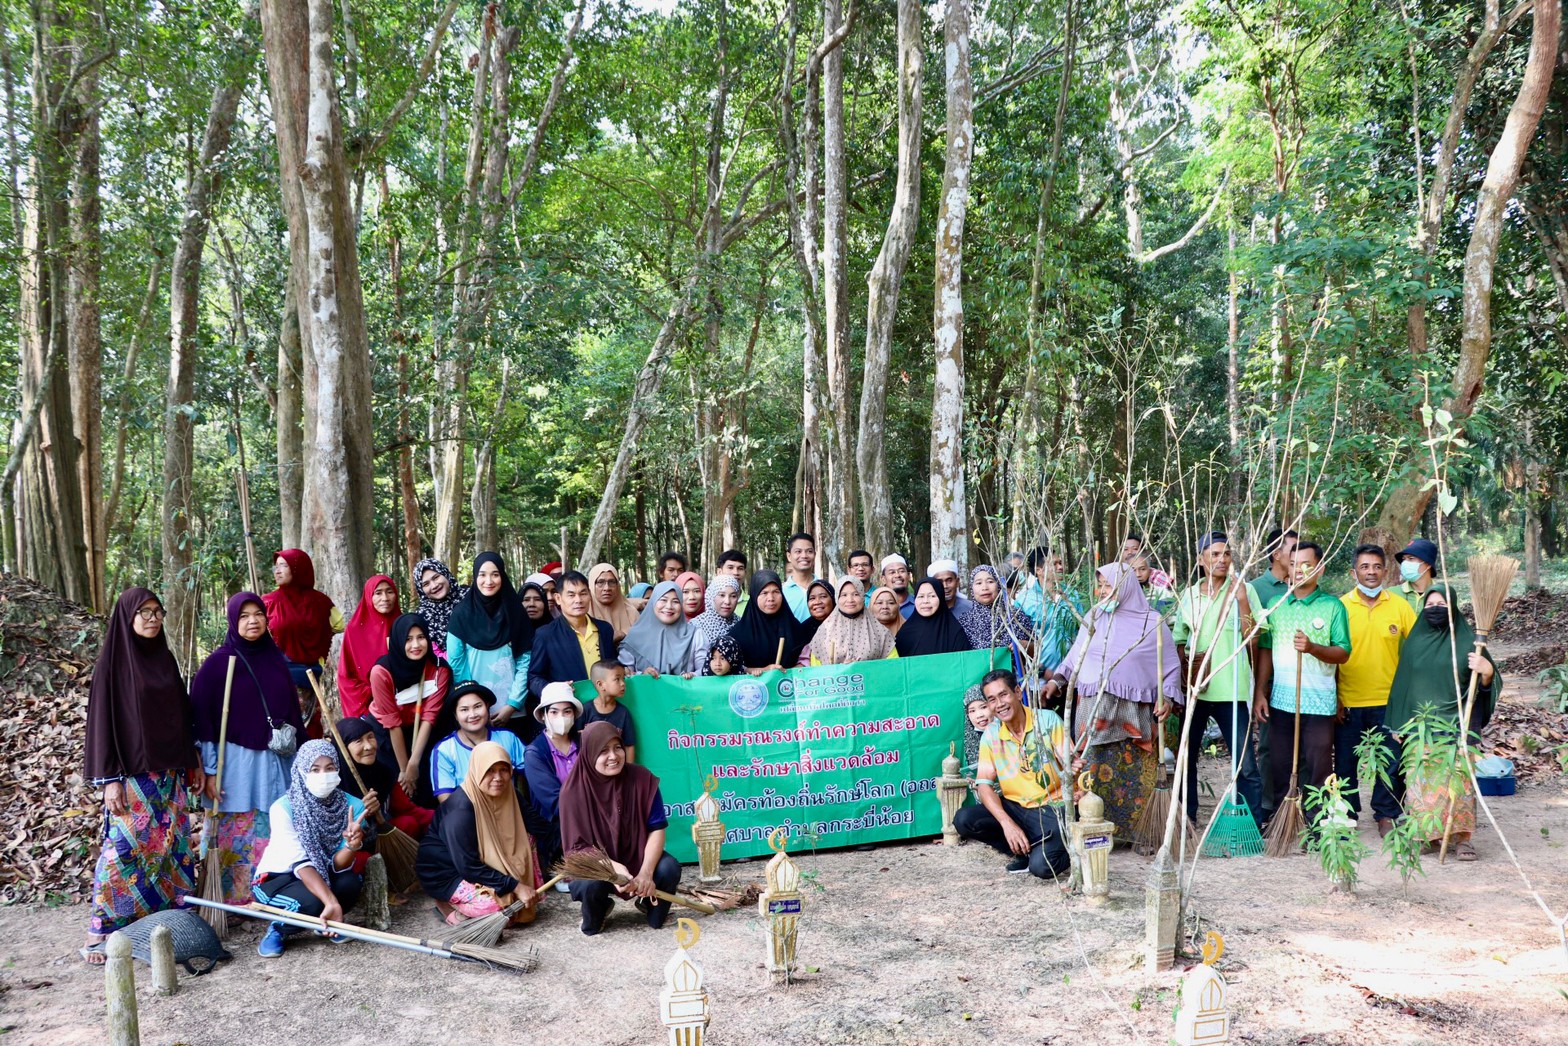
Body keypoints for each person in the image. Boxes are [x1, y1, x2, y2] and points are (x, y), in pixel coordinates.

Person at [82, 588, 204, 963]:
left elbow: (181, 717)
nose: (152, 618)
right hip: (132, 777)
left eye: (157, 612)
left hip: (171, 777)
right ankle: (99, 933)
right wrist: (109, 780)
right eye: (144, 612)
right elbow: (101, 725)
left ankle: (166, 921)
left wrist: (192, 761)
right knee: (124, 851)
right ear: (127, 617)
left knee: (172, 848)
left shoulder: (165, 659)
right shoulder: (113, 665)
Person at [1045, 563, 1183, 838]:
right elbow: (1075, 657)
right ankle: (1096, 830)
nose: (1103, 592)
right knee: (1091, 769)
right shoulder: (1094, 616)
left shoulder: (1152, 622)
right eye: (1102, 586)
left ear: (1127, 587)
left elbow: (1170, 666)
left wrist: (1167, 699)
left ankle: (1140, 832)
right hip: (1094, 710)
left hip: (1136, 712)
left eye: (1110, 586)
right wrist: (1056, 680)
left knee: (1135, 773)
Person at [189, 593, 301, 907]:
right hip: (234, 765)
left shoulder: (275, 659)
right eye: (244, 616)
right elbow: (203, 723)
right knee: (232, 830)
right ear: (233, 621)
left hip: (275, 761)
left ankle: (268, 894)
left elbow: (291, 711)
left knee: (271, 824)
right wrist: (210, 770)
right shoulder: (217, 665)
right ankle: (231, 899)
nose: (253, 621)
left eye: (258, 614)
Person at [1384, 585, 1499, 862]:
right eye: (1430, 604)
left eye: (1442, 604)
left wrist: (1486, 672)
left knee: (1458, 786)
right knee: (1422, 784)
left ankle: (1461, 839)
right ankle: (1426, 835)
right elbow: (1403, 687)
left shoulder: (1471, 641)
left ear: (1454, 608)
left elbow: (1487, 687)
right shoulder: (1414, 642)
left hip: (1458, 724)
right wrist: (1400, 724)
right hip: (1420, 726)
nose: (1435, 609)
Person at [1251, 542, 1351, 827]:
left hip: (1319, 704)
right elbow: (1266, 650)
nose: (1299, 570)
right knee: (1280, 764)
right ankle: (1286, 821)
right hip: (1282, 701)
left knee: (1319, 767)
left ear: (1320, 568)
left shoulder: (1333, 606)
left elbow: (1343, 653)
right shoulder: (1275, 605)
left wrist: (1312, 648)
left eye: (1306, 564)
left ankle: (1318, 824)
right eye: (1294, 563)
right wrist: (1260, 692)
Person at [1172, 534, 1266, 829]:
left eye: (1226, 554)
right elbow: (1179, 641)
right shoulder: (1189, 595)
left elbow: (1254, 638)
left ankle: (1252, 821)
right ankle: (1187, 817)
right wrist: (1182, 683)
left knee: (1244, 762)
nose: (1222, 560)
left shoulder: (1245, 589)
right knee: (1186, 757)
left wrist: (1241, 601)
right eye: (1214, 554)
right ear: (1201, 559)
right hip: (1197, 690)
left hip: (1232, 690)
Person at [252, 740, 375, 958]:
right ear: (300, 771)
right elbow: (301, 864)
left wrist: (352, 845)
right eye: (314, 769)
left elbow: (337, 864)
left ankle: (325, 922)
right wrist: (331, 901)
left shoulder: (353, 806)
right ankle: (278, 929)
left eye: (330, 768)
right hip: (278, 879)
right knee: (311, 902)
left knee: (350, 883)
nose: (323, 775)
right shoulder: (283, 808)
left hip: (321, 873)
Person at [558, 722, 681, 935]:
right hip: (596, 864)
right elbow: (576, 850)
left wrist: (646, 873)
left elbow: (657, 828)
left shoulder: (642, 779)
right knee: (590, 892)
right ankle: (598, 910)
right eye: (603, 751)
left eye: (617, 747)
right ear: (589, 754)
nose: (614, 756)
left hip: (637, 855)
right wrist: (613, 867)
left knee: (669, 868)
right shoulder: (573, 792)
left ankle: (648, 903)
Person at [953, 670, 1073, 878]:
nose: (999, 704)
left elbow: (1072, 765)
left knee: (1043, 868)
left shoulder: (1047, 721)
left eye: (1003, 695)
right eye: (991, 699)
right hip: (1016, 808)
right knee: (964, 819)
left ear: (1018, 693)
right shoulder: (991, 734)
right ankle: (1022, 850)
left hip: (1052, 806)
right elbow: (984, 785)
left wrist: (1076, 775)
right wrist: (1007, 824)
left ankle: (1072, 849)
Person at [1336, 544, 1416, 835]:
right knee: (1346, 762)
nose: (1371, 572)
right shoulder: (1340, 606)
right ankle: (1346, 814)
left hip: (1389, 702)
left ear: (1386, 570)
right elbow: (1330, 656)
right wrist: (1335, 698)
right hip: (1348, 700)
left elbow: (1420, 644)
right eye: (1365, 567)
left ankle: (1386, 814)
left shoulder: (1399, 606)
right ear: (1354, 571)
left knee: (1390, 761)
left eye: (1377, 566)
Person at [416, 741, 540, 926]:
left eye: (503, 770)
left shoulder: (509, 792)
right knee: (499, 912)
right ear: (477, 770)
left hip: (482, 862)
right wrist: (517, 886)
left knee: (527, 838)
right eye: (490, 770)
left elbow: (538, 826)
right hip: (448, 871)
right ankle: (447, 905)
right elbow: (468, 866)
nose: (498, 778)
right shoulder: (460, 810)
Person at [367, 613, 450, 806]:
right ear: (397, 641)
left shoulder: (439, 670)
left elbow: (430, 717)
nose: (416, 645)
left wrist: (413, 764)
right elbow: (392, 722)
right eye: (408, 639)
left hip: (421, 730)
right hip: (386, 733)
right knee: (396, 788)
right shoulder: (381, 672)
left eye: (421, 637)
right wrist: (405, 771)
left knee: (424, 784)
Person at [447, 552, 533, 735]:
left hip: (513, 711)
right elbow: (457, 665)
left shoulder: (516, 612)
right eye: (482, 574)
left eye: (495, 574)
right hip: (474, 714)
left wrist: (512, 704)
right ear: (475, 576)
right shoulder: (461, 615)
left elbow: (525, 661)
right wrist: (475, 705)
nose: (489, 581)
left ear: (502, 576)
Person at [263, 549, 343, 737]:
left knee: (307, 730)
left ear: (299, 569)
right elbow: (338, 625)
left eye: (284, 565)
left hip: (309, 679)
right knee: (281, 732)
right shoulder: (268, 602)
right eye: (276, 566)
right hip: (278, 677)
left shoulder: (321, 603)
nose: (277, 570)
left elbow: (340, 625)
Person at [1249, 526, 1298, 819]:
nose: (1299, 555)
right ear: (1276, 554)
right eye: (1293, 549)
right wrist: (1258, 685)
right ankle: (1268, 806)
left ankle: (1298, 804)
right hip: (1268, 682)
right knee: (1269, 745)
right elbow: (1253, 640)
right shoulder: (1256, 589)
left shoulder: (1306, 584)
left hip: (1304, 682)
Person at [334, 716, 432, 845]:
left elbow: (407, 810)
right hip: (350, 847)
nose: (368, 746)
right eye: (358, 741)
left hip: (382, 838)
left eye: (370, 737)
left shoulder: (383, 772)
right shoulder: (334, 783)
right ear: (343, 748)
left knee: (408, 824)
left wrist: (443, 816)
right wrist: (362, 813)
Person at [431, 682, 528, 801]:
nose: (472, 715)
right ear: (455, 715)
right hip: (468, 815)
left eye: (478, 706)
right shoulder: (444, 749)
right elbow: (446, 800)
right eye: (464, 710)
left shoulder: (507, 738)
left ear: (487, 706)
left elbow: (533, 771)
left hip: (508, 810)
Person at [528, 570, 616, 701]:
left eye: (583, 593)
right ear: (558, 598)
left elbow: (613, 666)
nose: (578, 600)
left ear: (590, 595)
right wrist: (553, 690)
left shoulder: (604, 629)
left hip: (604, 706)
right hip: (568, 707)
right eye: (571, 595)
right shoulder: (546, 635)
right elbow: (534, 678)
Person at [523, 681, 584, 871]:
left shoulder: (584, 743)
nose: (562, 717)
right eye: (554, 712)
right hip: (558, 824)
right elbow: (556, 803)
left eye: (567, 711)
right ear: (543, 715)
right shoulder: (535, 753)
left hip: (592, 814)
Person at [336, 575, 401, 719]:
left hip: (403, 701)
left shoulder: (403, 625)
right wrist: (375, 691)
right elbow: (345, 676)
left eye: (389, 591)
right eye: (378, 593)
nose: (385, 598)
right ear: (368, 597)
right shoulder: (355, 631)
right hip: (369, 706)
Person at [1018, 546, 1083, 675]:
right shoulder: (1024, 601)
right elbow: (1021, 645)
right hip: (1041, 679)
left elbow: (1082, 631)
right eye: (1054, 564)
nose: (1060, 567)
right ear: (1039, 570)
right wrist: (1042, 672)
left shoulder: (1072, 594)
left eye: (1060, 563)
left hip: (1074, 674)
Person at [730, 570, 807, 672]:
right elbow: (733, 668)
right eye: (764, 593)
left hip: (789, 685)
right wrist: (762, 670)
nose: (771, 598)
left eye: (776, 592)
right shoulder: (739, 633)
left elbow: (806, 661)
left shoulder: (795, 628)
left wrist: (787, 673)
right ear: (754, 595)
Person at [809, 577, 897, 665]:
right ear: (837, 598)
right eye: (844, 595)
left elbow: (894, 666)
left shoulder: (880, 632)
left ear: (862, 596)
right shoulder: (824, 631)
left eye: (856, 594)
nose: (850, 600)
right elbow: (816, 671)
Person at [619, 581, 698, 677]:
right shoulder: (634, 637)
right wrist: (642, 675)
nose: (669, 606)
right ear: (653, 602)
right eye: (663, 600)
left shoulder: (695, 635)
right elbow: (625, 674)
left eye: (676, 601)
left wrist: (692, 675)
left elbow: (705, 673)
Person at [960, 564, 1036, 659]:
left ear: (999, 585)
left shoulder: (1016, 616)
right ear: (972, 588)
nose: (985, 587)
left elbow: (1037, 652)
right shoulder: (965, 622)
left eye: (990, 581)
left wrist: (1026, 646)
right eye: (979, 583)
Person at [894, 577, 974, 658]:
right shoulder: (905, 633)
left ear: (940, 598)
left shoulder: (954, 632)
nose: (925, 601)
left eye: (932, 596)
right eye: (921, 596)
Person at [582, 660, 639, 759]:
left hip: (616, 767)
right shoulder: (585, 710)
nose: (623, 684)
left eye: (623, 678)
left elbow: (629, 746)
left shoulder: (623, 713)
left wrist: (629, 772)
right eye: (617, 679)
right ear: (600, 684)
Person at [412, 557, 468, 656]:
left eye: (436, 577)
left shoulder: (469, 597)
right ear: (421, 590)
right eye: (426, 584)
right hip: (448, 668)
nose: (434, 586)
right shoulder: (421, 616)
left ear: (445, 573)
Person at [690, 574, 741, 668]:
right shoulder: (695, 625)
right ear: (711, 596)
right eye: (721, 595)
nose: (727, 601)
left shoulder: (742, 624)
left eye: (733, 596)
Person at [587, 563, 641, 642]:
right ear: (592, 585)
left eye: (612, 582)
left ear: (618, 585)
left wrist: (624, 636)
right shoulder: (583, 614)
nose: (607, 588)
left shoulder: (631, 613)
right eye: (600, 582)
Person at [1393, 538, 1439, 614]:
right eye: (1404, 559)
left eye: (1411, 558)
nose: (1405, 563)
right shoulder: (1392, 594)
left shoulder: (1444, 595)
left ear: (1428, 564)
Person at [780, 532, 818, 622]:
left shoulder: (825, 589)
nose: (804, 556)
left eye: (809, 551)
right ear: (789, 556)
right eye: (798, 551)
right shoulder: (781, 592)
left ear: (815, 555)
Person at [794, 578, 835, 663]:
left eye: (823, 596)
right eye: (812, 598)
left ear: (833, 599)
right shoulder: (802, 630)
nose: (817, 602)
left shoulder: (843, 625)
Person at [960, 685, 992, 774]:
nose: (979, 715)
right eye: (972, 711)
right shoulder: (971, 738)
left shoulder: (1008, 733)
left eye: (983, 707)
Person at [879, 554, 916, 619]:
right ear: (883, 579)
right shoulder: (877, 607)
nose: (897, 575)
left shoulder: (920, 605)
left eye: (901, 571)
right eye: (892, 572)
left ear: (909, 576)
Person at [716, 549, 750, 615]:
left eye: (740, 568)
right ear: (719, 572)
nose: (736, 573)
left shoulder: (752, 603)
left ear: (745, 573)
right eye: (730, 567)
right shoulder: (708, 602)